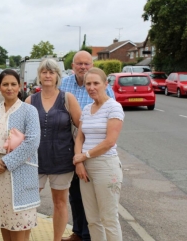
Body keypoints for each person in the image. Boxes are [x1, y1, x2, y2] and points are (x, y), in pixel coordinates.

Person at [0, 69, 41, 241]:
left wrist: (5, 163)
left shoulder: (29, 111)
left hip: (18, 173)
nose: (9, 88)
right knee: (4, 223)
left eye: (13, 84)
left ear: (19, 86)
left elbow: (32, 142)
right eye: (5, 84)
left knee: (20, 225)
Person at [60, 51, 115, 241]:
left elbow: (111, 130)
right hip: (72, 144)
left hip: (97, 148)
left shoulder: (106, 93)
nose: (83, 67)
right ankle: (78, 232)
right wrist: (78, 156)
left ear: (91, 64)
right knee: (76, 193)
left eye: (86, 63)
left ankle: (88, 235)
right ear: (73, 65)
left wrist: (85, 155)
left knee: (101, 206)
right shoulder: (65, 84)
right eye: (79, 64)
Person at [25, 59, 81, 241]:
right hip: (35, 161)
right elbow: (20, 132)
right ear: (39, 76)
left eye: (52, 72)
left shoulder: (67, 99)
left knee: (60, 203)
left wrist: (80, 156)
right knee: (28, 203)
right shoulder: (30, 100)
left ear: (57, 76)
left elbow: (81, 128)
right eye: (44, 72)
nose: (48, 75)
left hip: (62, 161)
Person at [73, 67, 124, 241]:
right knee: (93, 220)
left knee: (109, 218)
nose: (91, 87)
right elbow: (79, 137)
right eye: (88, 84)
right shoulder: (87, 109)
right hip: (85, 167)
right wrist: (79, 162)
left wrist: (84, 156)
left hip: (105, 166)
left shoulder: (114, 107)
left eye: (96, 83)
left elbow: (109, 142)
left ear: (105, 84)